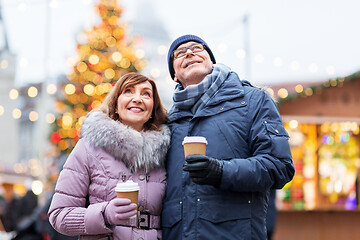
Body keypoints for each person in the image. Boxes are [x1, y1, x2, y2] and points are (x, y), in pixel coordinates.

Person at [161, 34, 295, 239]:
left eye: (197, 48)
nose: (189, 52)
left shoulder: (253, 101)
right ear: (175, 75)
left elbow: (279, 165)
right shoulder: (169, 121)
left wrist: (222, 171)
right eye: (179, 53)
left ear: (211, 61)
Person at [48, 72, 170, 240]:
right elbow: (59, 215)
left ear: (152, 110)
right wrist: (104, 214)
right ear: (116, 104)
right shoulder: (89, 147)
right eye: (128, 91)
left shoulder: (166, 151)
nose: (137, 98)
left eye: (146, 94)